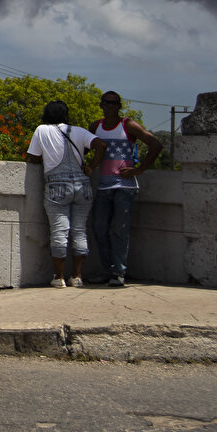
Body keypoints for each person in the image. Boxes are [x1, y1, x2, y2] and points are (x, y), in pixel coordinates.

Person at [26, 100, 105, 288]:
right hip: (82, 184)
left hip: (57, 186)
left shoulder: (42, 130)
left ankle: (59, 276)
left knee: (59, 231)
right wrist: (92, 166)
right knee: (79, 231)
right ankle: (77, 276)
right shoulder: (78, 131)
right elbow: (101, 145)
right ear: (65, 115)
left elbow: (33, 156)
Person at [89, 91, 163, 287]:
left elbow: (155, 143)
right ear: (102, 105)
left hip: (124, 186)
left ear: (119, 106)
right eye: (107, 102)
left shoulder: (128, 125)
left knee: (121, 230)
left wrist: (140, 169)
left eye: (115, 103)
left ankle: (118, 272)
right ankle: (107, 269)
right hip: (104, 185)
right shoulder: (96, 126)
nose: (111, 106)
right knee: (99, 227)